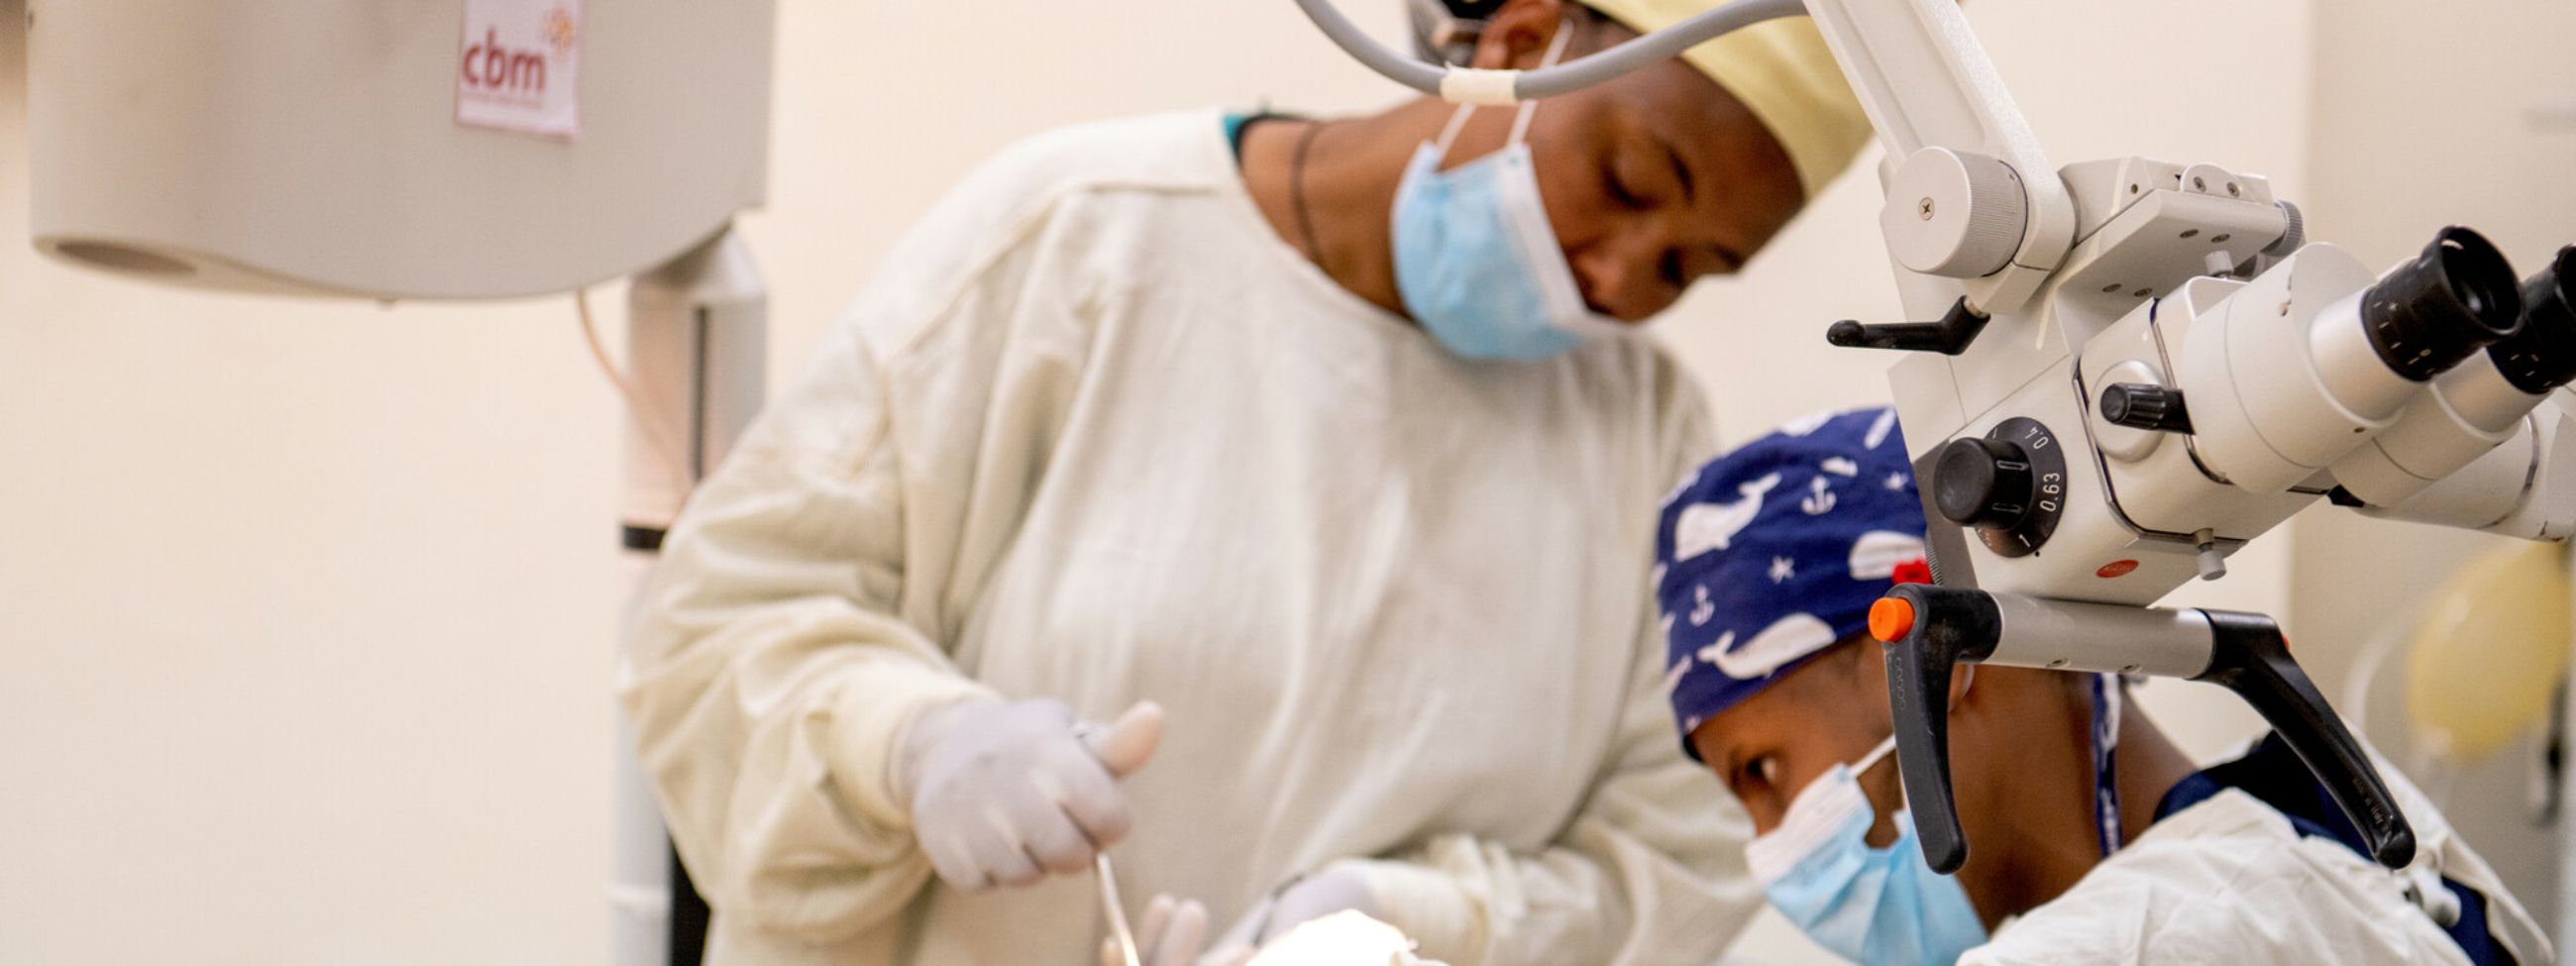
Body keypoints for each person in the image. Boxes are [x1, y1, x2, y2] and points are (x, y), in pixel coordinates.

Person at [620, 0, 1873, 962]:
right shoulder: (1083, 237)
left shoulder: (1641, 442)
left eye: (1688, 267)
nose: (1619, 275)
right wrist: (910, 742)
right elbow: (718, 629)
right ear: (1523, 41)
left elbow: (1672, 856)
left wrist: (1409, 919)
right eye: (1630, 184)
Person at [1655, 407, 2554, 966]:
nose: (1770, 850)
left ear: (1941, 660)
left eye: (1762, 773)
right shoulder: (2327, 831)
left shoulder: (2126, 944)